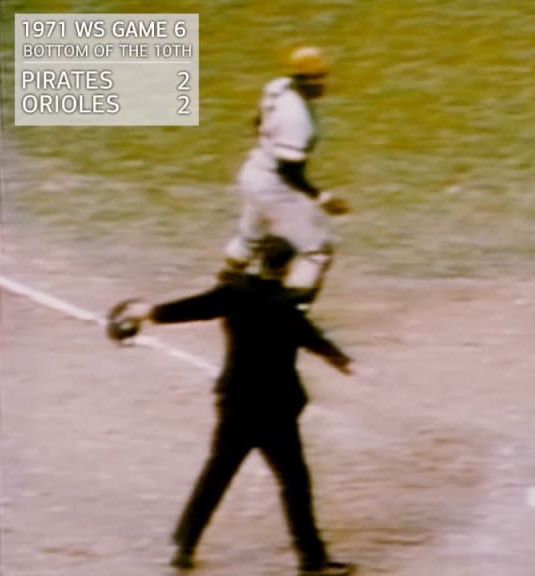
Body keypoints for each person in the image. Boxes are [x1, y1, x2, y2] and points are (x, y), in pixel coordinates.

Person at [114, 236, 357, 576]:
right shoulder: (286, 305)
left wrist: (148, 312)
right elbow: (314, 339)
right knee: (295, 485)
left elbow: (190, 308)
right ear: (285, 268)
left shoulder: (233, 294)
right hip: (276, 410)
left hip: (236, 405)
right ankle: (312, 560)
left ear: (259, 261)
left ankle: (184, 547)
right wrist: (345, 362)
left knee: (216, 475)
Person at [223, 45, 349, 309]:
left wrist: (266, 144)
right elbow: (289, 171)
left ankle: (223, 293)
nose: (321, 83)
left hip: (253, 172)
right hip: (273, 184)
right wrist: (323, 198)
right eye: (314, 78)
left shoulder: (277, 87)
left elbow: (256, 121)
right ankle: (294, 313)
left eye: (323, 75)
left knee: (249, 240)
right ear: (299, 80)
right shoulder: (296, 118)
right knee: (318, 251)